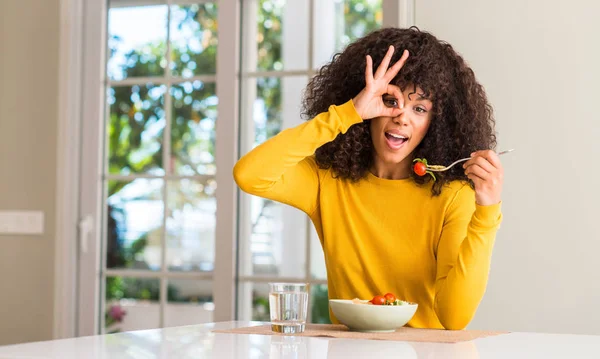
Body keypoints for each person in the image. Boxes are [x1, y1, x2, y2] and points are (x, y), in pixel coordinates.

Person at [233, 27, 504, 330]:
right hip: (347, 349)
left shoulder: (452, 195)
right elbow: (249, 175)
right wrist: (348, 113)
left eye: (419, 108)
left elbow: (454, 318)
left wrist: (488, 212)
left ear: (436, 123)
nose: (402, 117)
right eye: (391, 101)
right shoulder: (327, 180)